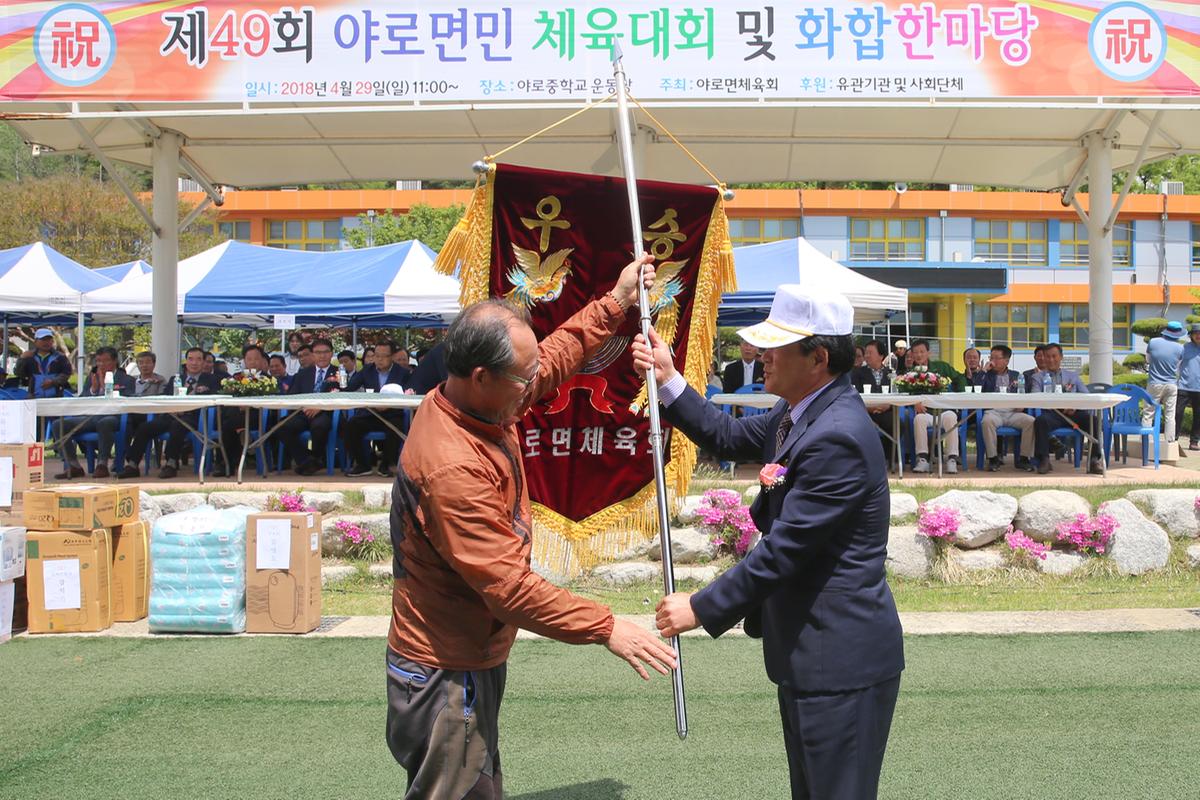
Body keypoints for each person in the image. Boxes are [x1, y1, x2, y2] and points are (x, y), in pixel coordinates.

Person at [386, 255, 675, 796]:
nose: (534, 384)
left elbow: (555, 357)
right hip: (444, 669)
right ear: (480, 376)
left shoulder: (481, 402)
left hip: (467, 653)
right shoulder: (453, 466)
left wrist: (617, 300)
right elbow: (508, 589)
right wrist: (605, 625)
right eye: (523, 379)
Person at [641, 284, 903, 800]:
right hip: (815, 654)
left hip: (838, 660)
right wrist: (669, 379)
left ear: (818, 358)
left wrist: (699, 607)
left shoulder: (837, 435)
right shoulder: (802, 414)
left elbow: (785, 551)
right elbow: (726, 434)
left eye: (775, 348)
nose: (762, 357)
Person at [118, 347, 222, 480]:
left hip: (194, 417)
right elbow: (164, 398)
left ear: (203, 362)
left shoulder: (212, 380)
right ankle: (132, 465)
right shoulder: (175, 379)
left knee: (177, 426)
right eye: (190, 359)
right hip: (171, 415)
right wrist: (171, 408)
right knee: (144, 428)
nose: (194, 363)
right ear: (186, 361)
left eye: (198, 359)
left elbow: (214, 401)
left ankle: (171, 464)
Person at [52, 347, 135, 479]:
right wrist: (93, 389)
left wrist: (106, 387)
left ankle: (102, 464)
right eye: (98, 361)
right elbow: (82, 400)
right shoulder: (92, 377)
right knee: (58, 424)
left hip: (114, 417)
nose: (101, 364)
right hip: (91, 417)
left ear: (115, 361)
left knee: (105, 423)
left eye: (105, 361)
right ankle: (73, 466)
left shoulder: (127, 379)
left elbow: (128, 400)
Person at [1028, 343, 1102, 475]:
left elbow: (1086, 395)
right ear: (1043, 358)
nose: (1051, 360)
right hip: (1052, 414)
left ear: (1061, 357)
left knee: (1094, 421)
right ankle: (1044, 460)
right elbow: (1035, 396)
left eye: (1054, 356)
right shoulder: (1037, 377)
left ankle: (1094, 460)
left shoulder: (1073, 376)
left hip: (1073, 413)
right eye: (1048, 356)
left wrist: (1075, 405)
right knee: (1040, 421)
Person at [342, 340, 411, 477]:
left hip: (392, 413)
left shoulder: (402, 372)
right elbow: (350, 388)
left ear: (392, 357)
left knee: (395, 427)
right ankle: (362, 464)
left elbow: (408, 393)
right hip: (370, 413)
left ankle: (386, 464)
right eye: (376, 355)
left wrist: (390, 403)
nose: (379, 359)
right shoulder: (367, 370)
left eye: (384, 356)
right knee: (351, 425)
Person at [278, 337, 340, 475]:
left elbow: (342, 395)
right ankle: (308, 460)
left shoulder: (338, 373)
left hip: (325, 412)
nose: (322, 355)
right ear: (313, 354)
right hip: (303, 412)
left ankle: (314, 459)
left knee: (320, 426)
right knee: (281, 427)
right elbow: (292, 395)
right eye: (318, 352)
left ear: (331, 353)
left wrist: (320, 407)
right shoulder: (303, 373)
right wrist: (305, 406)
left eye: (326, 352)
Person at [908, 339, 965, 474]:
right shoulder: (910, 373)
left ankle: (952, 459)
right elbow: (904, 392)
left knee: (951, 416)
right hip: (926, 412)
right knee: (919, 419)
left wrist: (958, 398)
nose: (919, 355)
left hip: (943, 411)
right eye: (915, 352)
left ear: (928, 353)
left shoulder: (941, 367)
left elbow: (960, 379)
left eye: (922, 352)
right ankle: (922, 460)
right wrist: (914, 402)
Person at [216, 345, 271, 478]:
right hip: (237, 415)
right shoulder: (236, 379)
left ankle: (228, 463)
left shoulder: (269, 380)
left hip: (258, 416)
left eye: (256, 359)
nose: (253, 362)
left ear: (262, 360)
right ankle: (227, 463)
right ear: (244, 361)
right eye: (249, 359)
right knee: (227, 422)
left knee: (229, 424)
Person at [979, 345, 1035, 472]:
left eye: (996, 358)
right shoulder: (986, 374)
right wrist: (983, 371)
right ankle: (993, 458)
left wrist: (1023, 405)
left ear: (1006, 360)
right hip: (993, 411)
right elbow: (976, 388)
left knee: (1030, 421)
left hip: (1013, 412)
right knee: (986, 422)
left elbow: (1023, 393)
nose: (992, 361)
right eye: (991, 357)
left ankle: (1024, 458)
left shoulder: (1016, 375)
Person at [851, 339, 894, 463]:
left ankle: (889, 458)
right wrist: (869, 408)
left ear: (881, 355)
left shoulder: (890, 373)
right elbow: (854, 394)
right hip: (865, 412)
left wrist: (887, 406)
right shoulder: (857, 373)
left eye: (870, 353)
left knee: (896, 424)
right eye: (866, 353)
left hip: (886, 411)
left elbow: (896, 394)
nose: (867, 356)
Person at [1146, 321, 1185, 444]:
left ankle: (1147, 441)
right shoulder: (1180, 348)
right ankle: (1169, 442)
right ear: (1178, 334)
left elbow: (1148, 359)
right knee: (1170, 414)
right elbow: (1178, 366)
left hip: (1154, 383)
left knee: (1148, 412)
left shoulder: (1153, 342)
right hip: (1171, 384)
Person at [14, 328, 71, 398]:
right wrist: (22, 359)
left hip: (56, 397)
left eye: (49, 339)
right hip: (33, 397)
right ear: (35, 341)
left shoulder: (60, 357)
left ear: (52, 341)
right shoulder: (29, 357)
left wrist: (53, 382)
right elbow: (19, 373)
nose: (46, 342)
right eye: (43, 339)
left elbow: (67, 373)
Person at [1177, 323, 1200, 450]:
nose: (1198, 336)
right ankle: (1174, 439)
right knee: (1178, 413)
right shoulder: (1184, 347)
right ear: (1191, 335)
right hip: (1184, 386)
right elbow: (1176, 363)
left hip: (1199, 388)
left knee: (1198, 416)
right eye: (1196, 333)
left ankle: (1194, 442)